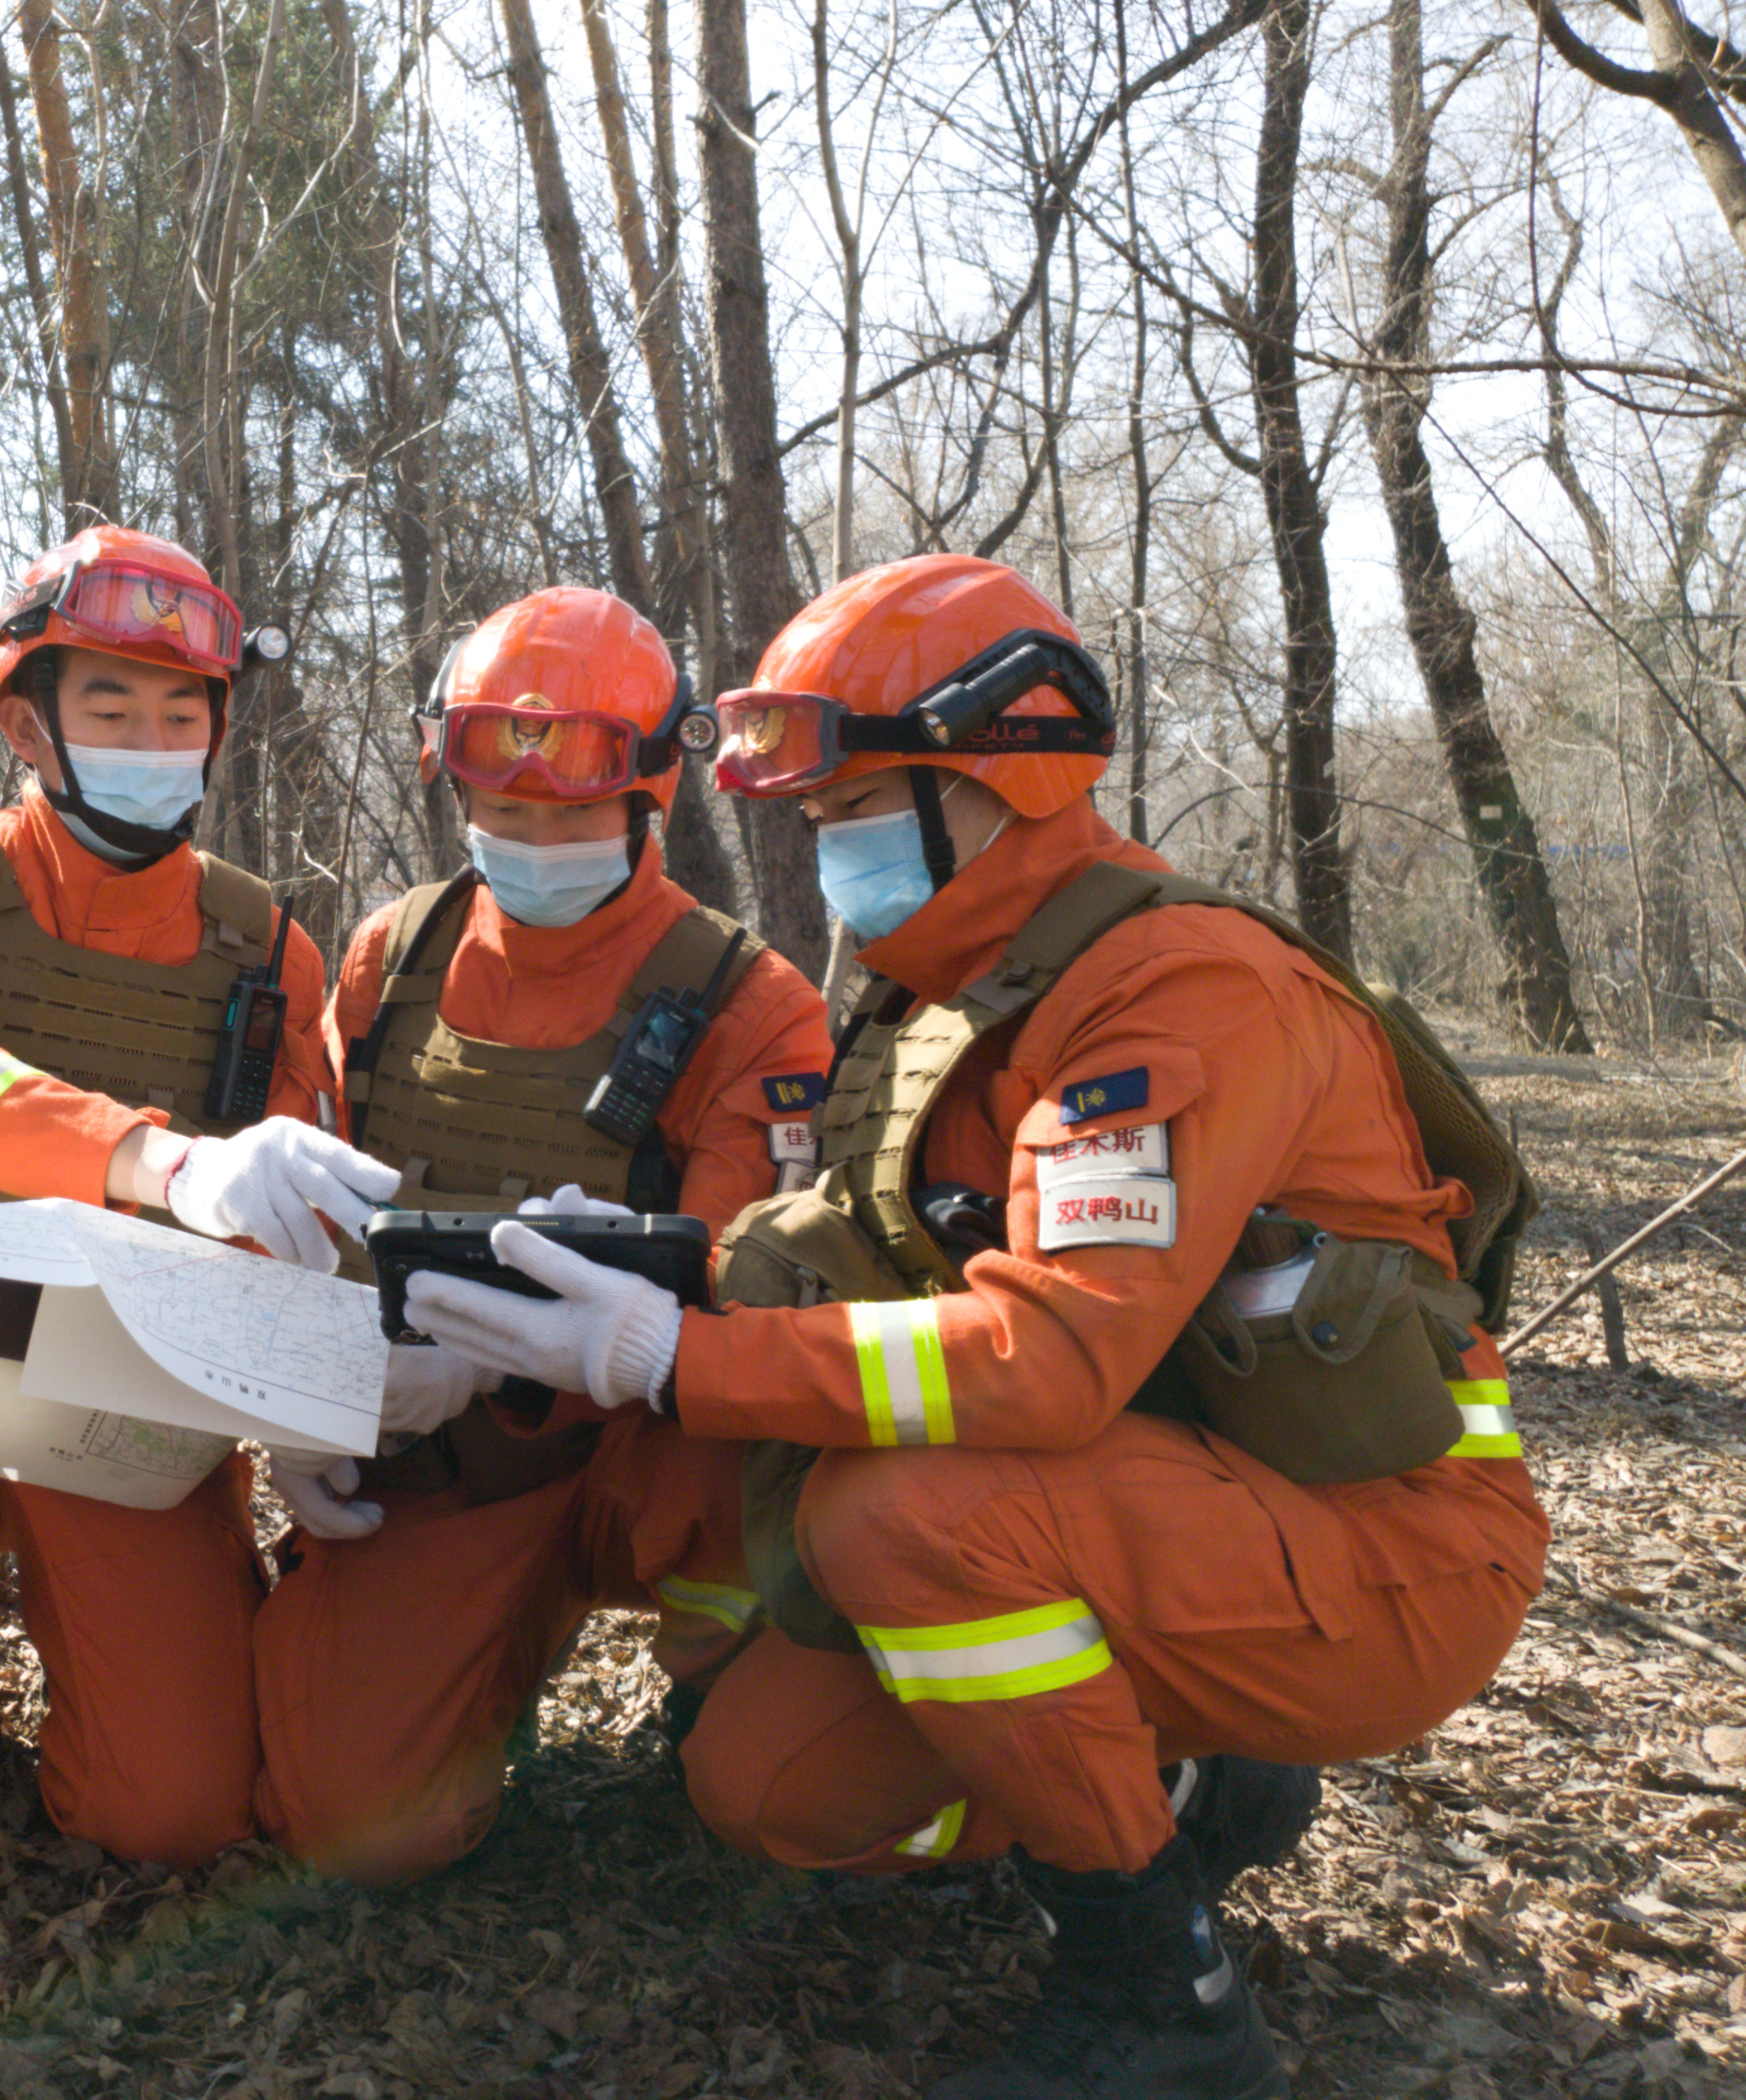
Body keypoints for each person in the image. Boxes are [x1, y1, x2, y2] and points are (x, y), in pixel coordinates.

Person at [403, 555, 1545, 2100]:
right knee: (765, 1788)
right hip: (1145, 1508)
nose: (829, 849)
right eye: (815, 819)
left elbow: (1049, 1351)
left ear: (990, 780)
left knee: (899, 1518)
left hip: (1383, 1545)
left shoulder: (1176, 993)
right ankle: (1184, 1781)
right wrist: (671, 1268)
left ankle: (1167, 1999)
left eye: (856, 807)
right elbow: (884, 1261)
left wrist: (671, 1359)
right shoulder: (935, 992)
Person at [0, 524, 390, 1867]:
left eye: (183, 712)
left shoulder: (266, 940)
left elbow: (308, 1192)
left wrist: (300, 1406)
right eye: (111, 703)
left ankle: (201, 1649)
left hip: (134, 1381)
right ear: (27, 722)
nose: (151, 738)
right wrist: (164, 1161)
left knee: (166, 1814)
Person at [249, 588, 830, 1881]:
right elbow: (322, 1221)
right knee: (357, 1829)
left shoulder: (752, 1004)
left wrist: (532, 1345)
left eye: (568, 816)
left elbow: (750, 1269)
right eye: (503, 814)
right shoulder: (391, 960)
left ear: (649, 797)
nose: (531, 839)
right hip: (451, 1457)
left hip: (661, 1443)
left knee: (750, 1474)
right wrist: (309, 1403)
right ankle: (480, 1653)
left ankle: (728, 1690)